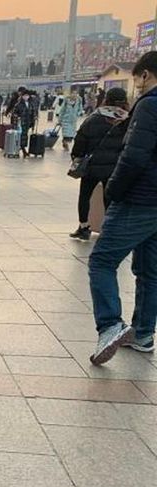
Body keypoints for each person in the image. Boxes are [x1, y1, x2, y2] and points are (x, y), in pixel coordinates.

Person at [88, 52, 157, 364]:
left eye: (137, 78)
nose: (137, 86)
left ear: (145, 75)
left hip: (140, 197)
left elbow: (134, 155)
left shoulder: (150, 104)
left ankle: (110, 325)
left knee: (102, 261)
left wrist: (114, 188)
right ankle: (143, 333)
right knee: (149, 270)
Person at [68, 88, 129, 241]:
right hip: (114, 168)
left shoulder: (94, 118)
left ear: (106, 99)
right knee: (109, 199)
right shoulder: (127, 120)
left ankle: (84, 227)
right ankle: (109, 230)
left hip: (91, 167)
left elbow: (80, 141)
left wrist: (76, 156)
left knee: (85, 196)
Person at [13, 91, 37, 158]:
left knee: (25, 136)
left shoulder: (31, 104)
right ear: (22, 96)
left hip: (28, 123)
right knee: (22, 136)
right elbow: (14, 113)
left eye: (27, 95)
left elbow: (33, 113)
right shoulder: (18, 104)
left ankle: (22, 148)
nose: (26, 97)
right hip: (21, 123)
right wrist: (17, 118)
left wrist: (34, 120)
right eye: (25, 95)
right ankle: (23, 150)